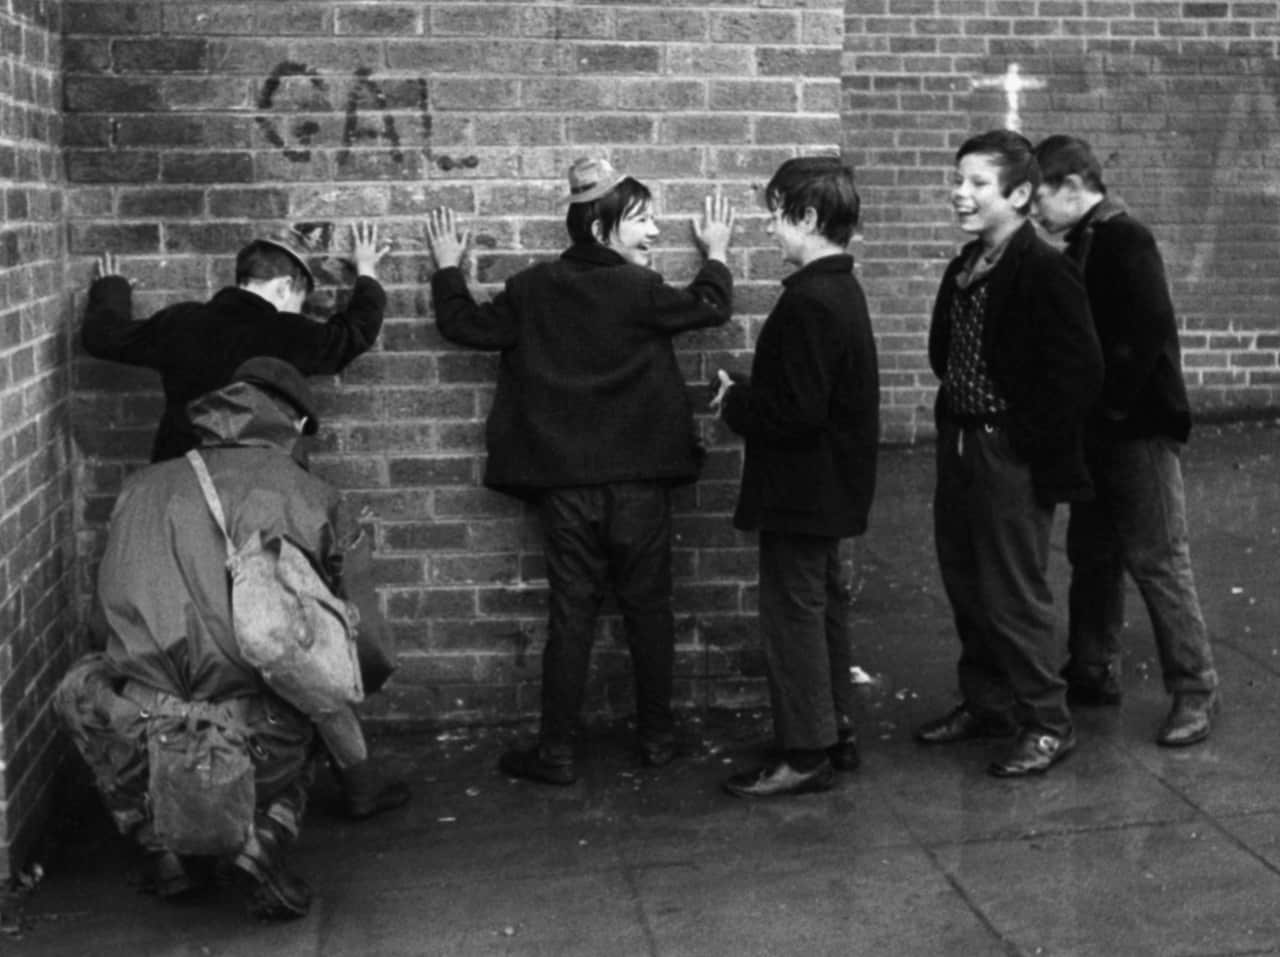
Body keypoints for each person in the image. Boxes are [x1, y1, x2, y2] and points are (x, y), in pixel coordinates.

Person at [55, 359, 408, 921]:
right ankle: (263, 836)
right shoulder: (313, 495)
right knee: (314, 677)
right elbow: (367, 652)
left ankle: (158, 840)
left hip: (139, 735)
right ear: (290, 424)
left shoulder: (140, 487)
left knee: (80, 685)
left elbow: (104, 624)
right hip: (260, 742)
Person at [424, 157, 735, 785]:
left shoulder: (532, 289)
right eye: (642, 221)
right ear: (601, 230)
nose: (654, 233)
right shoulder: (640, 291)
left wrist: (447, 269)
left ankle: (557, 752)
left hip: (564, 490)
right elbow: (711, 306)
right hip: (641, 486)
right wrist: (718, 253)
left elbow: (462, 325)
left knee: (571, 616)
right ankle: (656, 738)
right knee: (649, 610)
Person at [914, 130, 1103, 777]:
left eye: (976, 183)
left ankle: (1048, 721)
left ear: (1020, 194)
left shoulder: (1046, 265)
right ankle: (988, 703)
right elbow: (946, 352)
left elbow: (1080, 372)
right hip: (961, 443)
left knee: (1013, 591)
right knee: (966, 579)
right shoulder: (967, 264)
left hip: (1008, 452)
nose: (959, 193)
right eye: (958, 180)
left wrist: (1020, 439)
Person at [1031, 134, 1220, 745]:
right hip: (1108, 430)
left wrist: (1108, 410)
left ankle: (1196, 691)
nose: (1034, 212)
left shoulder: (1122, 237)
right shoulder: (1089, 241)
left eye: (1040, 198)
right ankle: (1090, 670)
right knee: (1094, 555)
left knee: (1158, 559)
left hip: (1136, 431)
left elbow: (1144, 333)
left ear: (1071, 188)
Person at [711, 156, 880, 798]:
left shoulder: (809, 301)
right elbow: (815, 394)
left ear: (807, 217)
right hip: (830, 488)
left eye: (775, 213)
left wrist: (736, 403)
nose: (768, 227)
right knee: (821, 610)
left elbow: (795, 412)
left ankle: (804, 752)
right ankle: (832, 729)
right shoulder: (841, 291)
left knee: (792, 617)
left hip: (801, 492)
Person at [82, 222, 388, 463]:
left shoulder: (180, 322)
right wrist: (366, 271)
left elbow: (103, 338)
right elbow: (352, 335)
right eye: (299, 300)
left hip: (181, 472)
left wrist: (111, 290)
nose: (299, 311)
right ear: (284, 288)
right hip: (258, 481)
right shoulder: (290, 333)